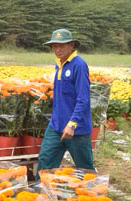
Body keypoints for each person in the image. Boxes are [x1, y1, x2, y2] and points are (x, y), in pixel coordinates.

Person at [37, 29, 95, 179]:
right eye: (54, 46)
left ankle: (92, 198)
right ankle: (42, 197)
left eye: (61, 45)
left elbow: (83, 98)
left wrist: (72, 124)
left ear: (72, 45)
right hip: (56, 125)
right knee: (45, 161)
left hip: (76, 129)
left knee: (85, 167)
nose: (57, 49)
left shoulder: (79, 65)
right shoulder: (59, 65)